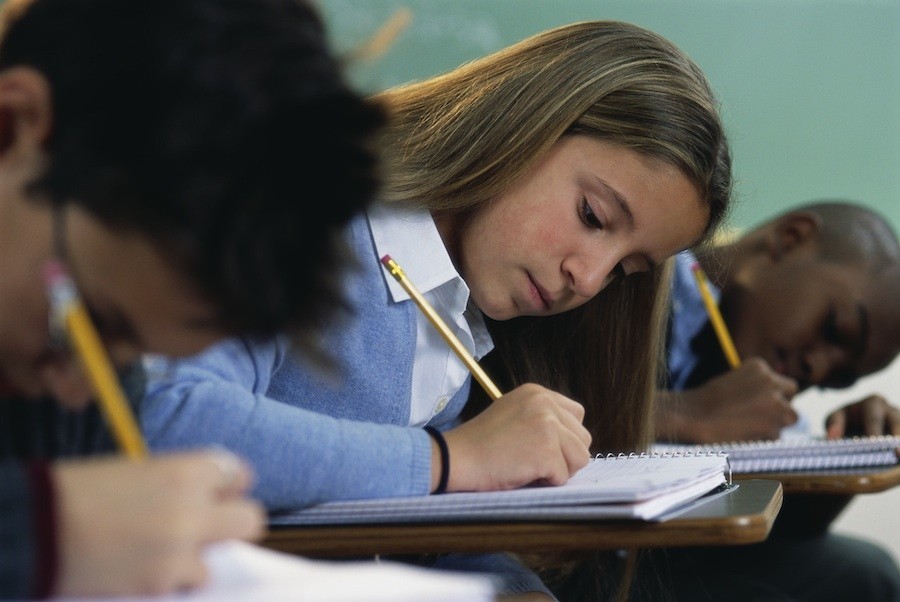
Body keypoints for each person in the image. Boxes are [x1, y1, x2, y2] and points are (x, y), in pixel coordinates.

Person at [139, 19, 732, 599]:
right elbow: (167, 419)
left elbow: (421, 528)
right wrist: (452, 458)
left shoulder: (458, 309)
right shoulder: (301, 206)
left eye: (625, 272)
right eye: (592, 217)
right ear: (524, 122)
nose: (589, 277)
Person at [0, 0, 384, 598]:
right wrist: (44, 533)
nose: (82, 390)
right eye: (83, 324)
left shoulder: (77, 382)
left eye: (136, 358)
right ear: (12, 128)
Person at [644, 200, 900, 601]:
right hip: (565, 557)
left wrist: (849, 454)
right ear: (790, 239)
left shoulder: (761, 393)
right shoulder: (643, 270)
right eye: (833, 328)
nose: (817, 371)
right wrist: (686, 414)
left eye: (837, 380)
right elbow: (530, 417)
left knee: (865, 574)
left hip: (653, 557)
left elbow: (788, 532)